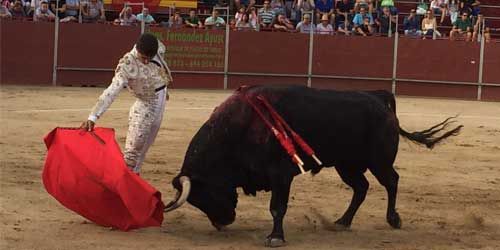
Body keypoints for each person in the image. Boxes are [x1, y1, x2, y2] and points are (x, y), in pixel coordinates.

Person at [80, 33, 173, 174]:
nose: (147, 61)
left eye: (150, 58)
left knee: (145, 146)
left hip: (160, 98)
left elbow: (161, 63)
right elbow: (111, 92)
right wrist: (93, 116)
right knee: (133, 151)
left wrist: (164, 81)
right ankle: (127, 182)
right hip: (145, 104)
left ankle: (135, 176)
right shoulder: (126, 65)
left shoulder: (158, 47)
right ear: (137, 50)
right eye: (144, 58)